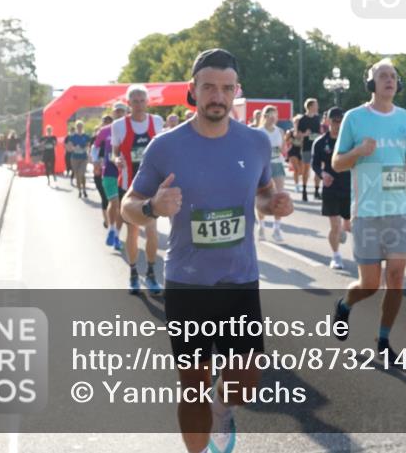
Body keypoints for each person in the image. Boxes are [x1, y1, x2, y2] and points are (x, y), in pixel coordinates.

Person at [122, 48, 293, 453]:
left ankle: (222, 407)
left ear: (236, 92)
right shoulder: (165, 147)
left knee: (245, 383)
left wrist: (275, 205)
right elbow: (129, 206)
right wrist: (152, 207)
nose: (218, 96)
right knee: (192, 386)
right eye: (209, 87)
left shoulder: (253, 142)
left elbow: (265, 195)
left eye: (226, 88)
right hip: (187, 284)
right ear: (193, 91)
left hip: (240, 280)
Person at [331, 59, 406, 354]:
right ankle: (345, 304)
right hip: (367, 211)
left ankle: (383, 340)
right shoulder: (354, 118)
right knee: (370, 285)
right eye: (382, 76)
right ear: (371, 84)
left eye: (393, 76)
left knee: (396, 278)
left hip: (398, 209)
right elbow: (337, 163)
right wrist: (358, 151)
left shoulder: (404, 119)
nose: (389, 80)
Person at [111, 84, 165, 294]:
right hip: (129, 185)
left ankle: (151, 274)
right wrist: (117, 160)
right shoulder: (119, 125)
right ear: (128, 103)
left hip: (152, 185)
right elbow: (115, 152)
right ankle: (133, 272)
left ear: (147, 102)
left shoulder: (157, 122)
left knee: (151, 230)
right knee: (132, 230)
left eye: (142, 100)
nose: (139, 104)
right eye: (135, 101)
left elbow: (162, 150)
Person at [312, 106, 351, 270]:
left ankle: (343, 228)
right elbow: (314, 164)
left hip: (349, 186)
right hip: (331, 187)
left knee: (347, 226)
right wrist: (322, 174)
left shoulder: (350, 141)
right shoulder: (321, 142)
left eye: (340, 120)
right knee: (334, 226)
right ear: (328, 121)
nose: (337, 124)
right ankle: (336, 256)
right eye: (334, 120)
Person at [94, 102, 128, 251]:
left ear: (126, 113)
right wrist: (95, 161)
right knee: (113, 202)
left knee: (121, 206)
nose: (119, 114)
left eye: (122, 111)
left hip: (126, 172)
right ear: (113, 114)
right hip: (109, 171)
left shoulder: (130, 128)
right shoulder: (105, 130)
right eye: (117, 112)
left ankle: (117, 235)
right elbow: (95, 146)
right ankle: (111, 228)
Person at [255, 105, 287, 242]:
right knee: (262, 196)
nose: (274, 118)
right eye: (271, 115)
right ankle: (261, 226)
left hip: (277, 165)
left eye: (276, 115)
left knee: (279, 196)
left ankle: (277, 229)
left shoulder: (279, 131)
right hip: (262, 166)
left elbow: (283, 148)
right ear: (265, 116)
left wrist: (281, 152)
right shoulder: (259, 132)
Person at [296, 99, 322, 201]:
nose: (317, 107)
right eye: (316, 105)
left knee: (318, 170)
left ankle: (316, 191)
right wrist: (305, 134)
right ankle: (304, 191)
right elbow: (297, 135)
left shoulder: (317, 118)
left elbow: (318, 132)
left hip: (317, 147)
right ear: (310, 106)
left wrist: (318, 136)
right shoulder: (302, 119)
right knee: (306, 169)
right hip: (306, 147)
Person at [67, 120, 91, 198]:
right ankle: (80, 191)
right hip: (74, 158)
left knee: (82, 174)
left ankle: (84, 189)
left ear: (82, 127)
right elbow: (69, 148)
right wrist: (74, 148)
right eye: (78, 126)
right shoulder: (72, 137)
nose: (79, 128)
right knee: (77, 175)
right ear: (76, 127)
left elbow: (88, 146)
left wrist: (85, 149)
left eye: (80, 126)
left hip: (83, 158)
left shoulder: (86, 136)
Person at [285, 115, 303, 193]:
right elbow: (285, 141)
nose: (297, 123)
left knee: (301, 171)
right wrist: (290, 140)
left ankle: (299, 182)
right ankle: (296, 186)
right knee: (296, 169)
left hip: (302, 151)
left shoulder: (304, 132)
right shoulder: (290, 132)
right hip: (293, 151)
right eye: (296, 122)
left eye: (299, 122)